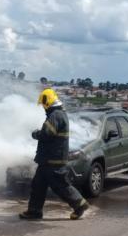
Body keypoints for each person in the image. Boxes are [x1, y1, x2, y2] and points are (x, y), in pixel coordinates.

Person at [19, 88, 89, 220]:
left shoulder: (55, 115)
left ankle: (79, 204)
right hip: (48, 159)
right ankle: (34, 211)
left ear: (47, 102)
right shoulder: (58, 114)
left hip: (53, 159)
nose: (43, 108)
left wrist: (36, 133)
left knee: (60, 186)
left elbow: (47, 134)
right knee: (38, 186)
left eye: (43, 104)